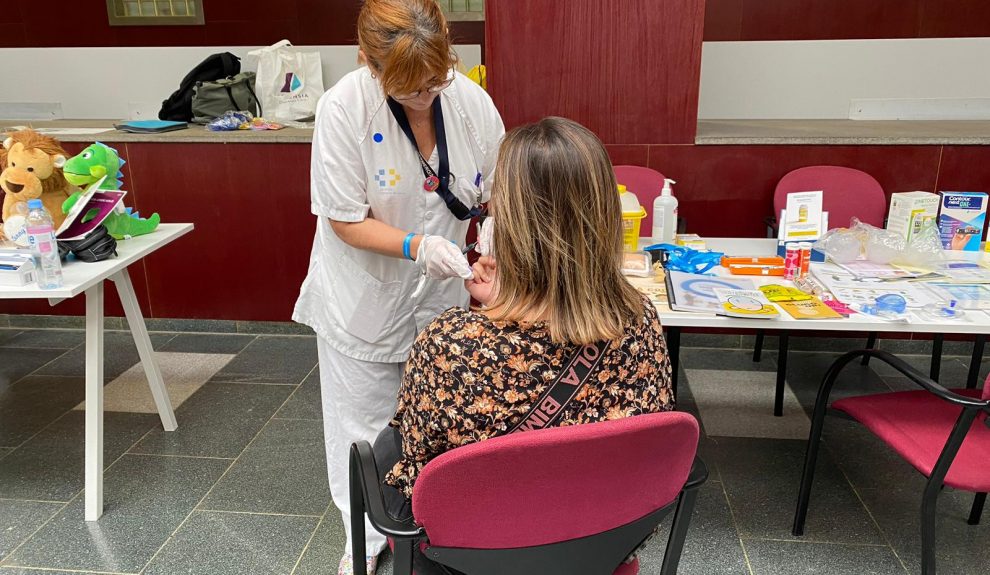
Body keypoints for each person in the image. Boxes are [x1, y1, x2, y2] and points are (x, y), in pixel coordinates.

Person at [374, 117, 675, 574]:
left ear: (511, 226)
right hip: (600, 545)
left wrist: (500, 312)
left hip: (471, 558)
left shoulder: (448, 345)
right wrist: (516, 300)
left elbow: (418, 473)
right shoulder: (642, 321)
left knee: (385, 449)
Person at [291, 0, 504, 572]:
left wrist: (494, 249)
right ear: (367, 61)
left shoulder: (470, 102)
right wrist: (417, 245)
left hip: (443, 300)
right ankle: (362, 539)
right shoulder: (344, 109)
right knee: (361, 427)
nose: (425, 98)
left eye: (435, 82)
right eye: (410, 90)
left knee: (440, 414)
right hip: (365, 297)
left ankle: (435, 525)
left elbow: (499, 191)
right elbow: (342, 217)